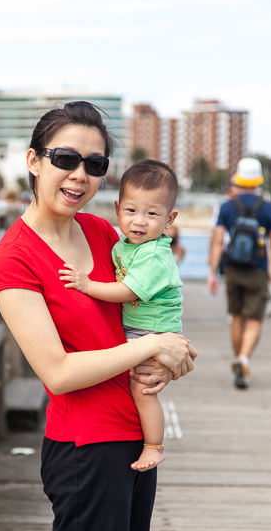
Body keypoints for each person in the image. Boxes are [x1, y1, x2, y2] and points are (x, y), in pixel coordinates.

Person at [0, 101, 196, 531]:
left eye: (95, 164)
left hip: (132, 437)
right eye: (64, 158)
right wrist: (150, 348)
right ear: (34, 161)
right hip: (85, 449)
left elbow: (149, 311)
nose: (79, 174)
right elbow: (57, 372)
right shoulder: (14, 258)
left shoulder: (105, 232)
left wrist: (169, 354)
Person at [59, 159, 182, 472]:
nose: (139, 221)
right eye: (131, 211)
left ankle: (155, 447)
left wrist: (87, 285)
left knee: (143, 390)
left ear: (170, 219)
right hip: (142, 329)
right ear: (117, 209)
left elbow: (126, 291)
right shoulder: (126, 245)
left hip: (152, 332)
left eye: (152, 214)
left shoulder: (155, 255)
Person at [207, 157, 271, 389]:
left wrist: (212, 272)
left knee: (237, 317)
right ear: (259, 181)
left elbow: (218, 239)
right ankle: (243, 358)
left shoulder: (227, 206)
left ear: (237, 180)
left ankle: (238, 359)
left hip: (232, 269)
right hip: (258, 271)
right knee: (254, 320)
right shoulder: (268, 207)